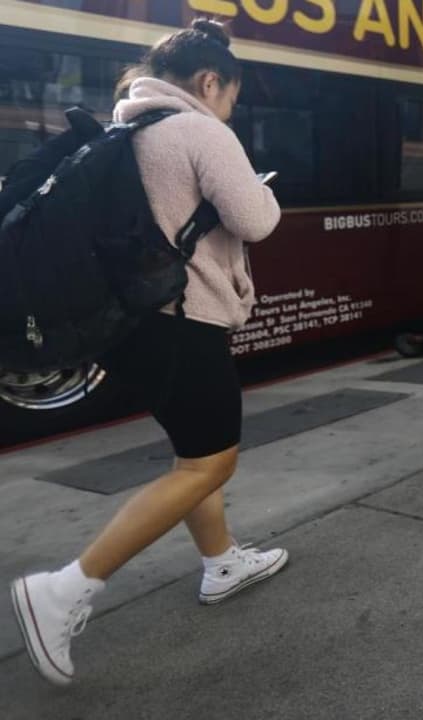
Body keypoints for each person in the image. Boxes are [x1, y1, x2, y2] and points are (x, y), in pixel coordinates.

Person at [9, 19, 286, 687]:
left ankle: (221, 562)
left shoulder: (123, 130)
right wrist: (262, 187)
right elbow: (258, 220)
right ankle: (66, 589)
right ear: (210, 82)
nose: (229, 111)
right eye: (231, 98)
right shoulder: (197, 130)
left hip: (135, 322)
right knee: (212, 461)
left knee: (193, 456)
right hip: (186, 322)